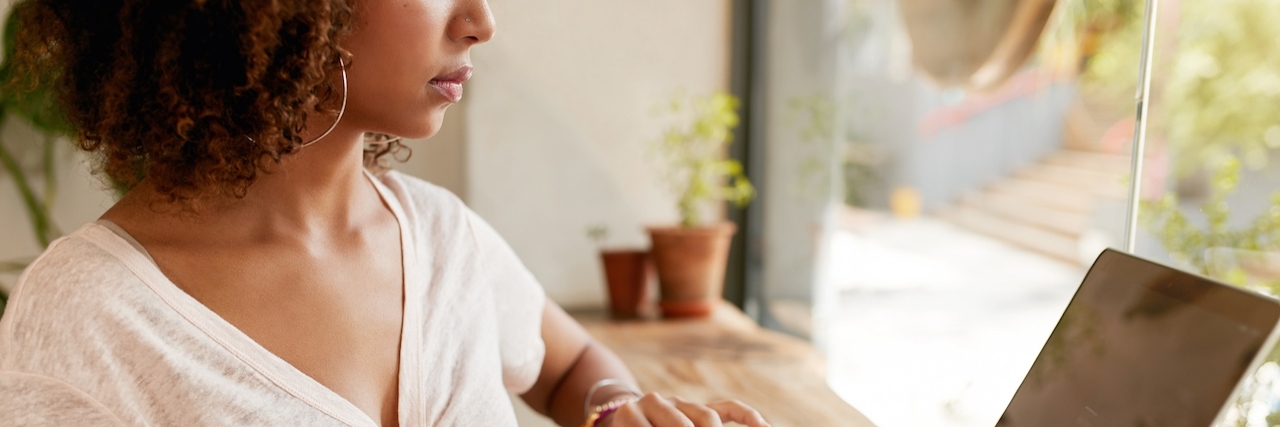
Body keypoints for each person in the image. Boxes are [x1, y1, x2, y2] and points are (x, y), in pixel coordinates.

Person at [0, 1, 769, 426]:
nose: (480, 20)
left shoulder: (441, 237)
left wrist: (618, 410)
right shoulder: (87, 319)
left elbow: (570, 366)